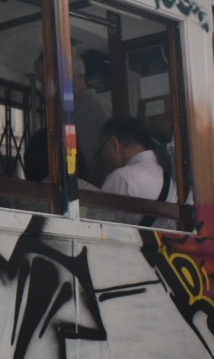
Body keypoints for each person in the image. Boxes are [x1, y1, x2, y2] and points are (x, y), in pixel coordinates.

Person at [96, 116, 175, 227]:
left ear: (114, 144)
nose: (100, 159)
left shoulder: (121, 178)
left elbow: (98, 227)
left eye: (101, 150)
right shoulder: (168, 174)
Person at [73, 49, 112, 184]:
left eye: (44, 81)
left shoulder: (88, 108)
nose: (44, 89)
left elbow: (93, 162)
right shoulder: (93, 103)